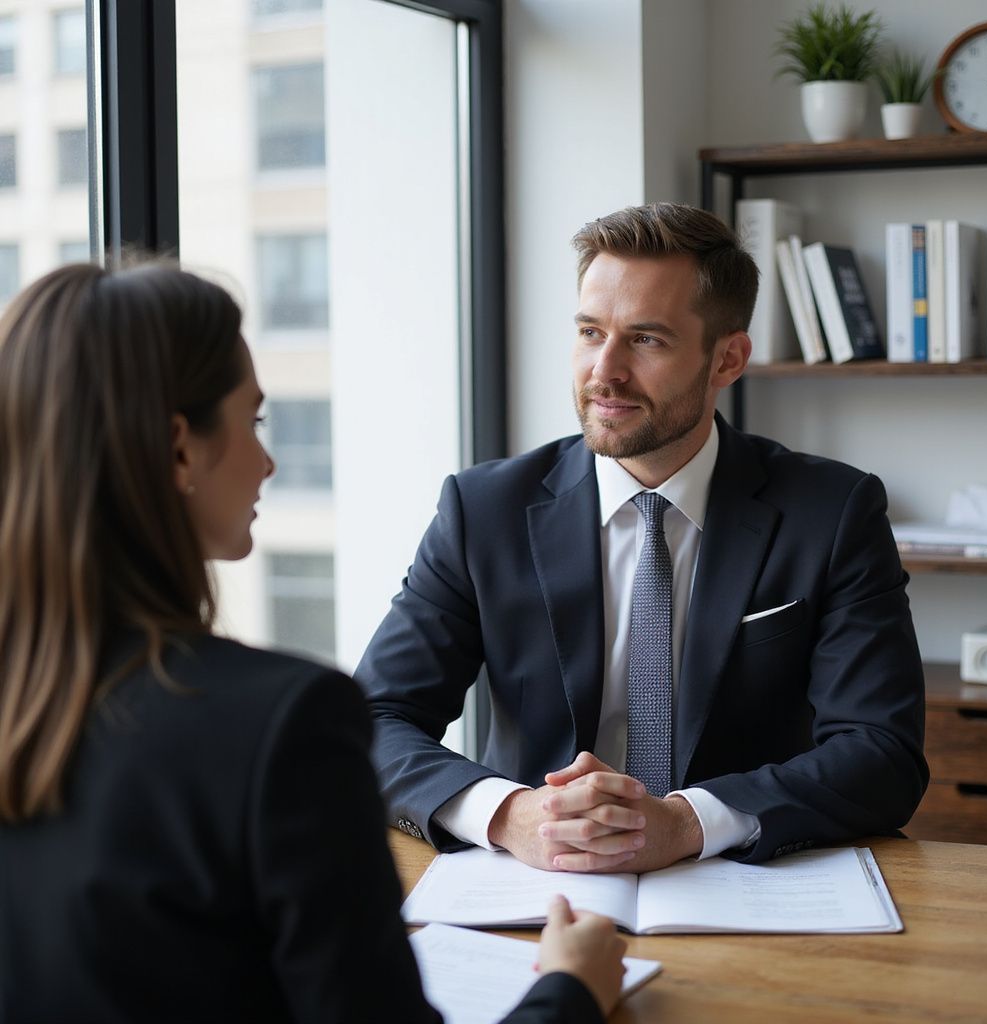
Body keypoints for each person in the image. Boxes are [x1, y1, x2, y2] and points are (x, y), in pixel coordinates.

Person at [0, 262, 625, 1023]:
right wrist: (570, 988)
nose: (266, 463)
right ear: (179, 449)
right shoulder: (277, 724)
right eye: (253, 422)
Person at [358, 202, 928, 874]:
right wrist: (510, 815)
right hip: (536, 880)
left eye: (647, 339)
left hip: (744, 877)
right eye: (590, 332)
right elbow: (370, 720)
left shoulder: (832, 513)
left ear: (727, 359)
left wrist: (687, 823)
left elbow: (881, 751)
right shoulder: (483, 510)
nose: (605, 370)